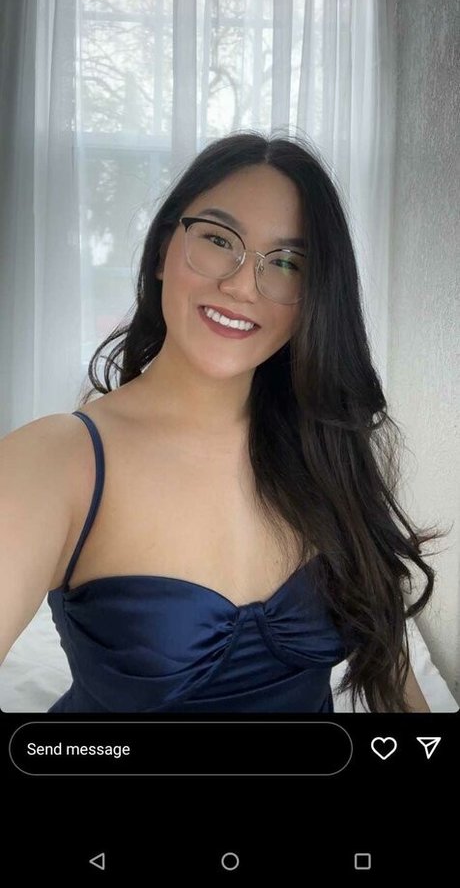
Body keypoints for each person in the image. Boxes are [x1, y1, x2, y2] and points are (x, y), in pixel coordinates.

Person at [0, 132, 447, 713]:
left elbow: (389, 667)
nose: (240, 286)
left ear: (313, 296)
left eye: (285, 262)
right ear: (163, 251)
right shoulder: (55, 461)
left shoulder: (329, 446)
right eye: (217, 239)